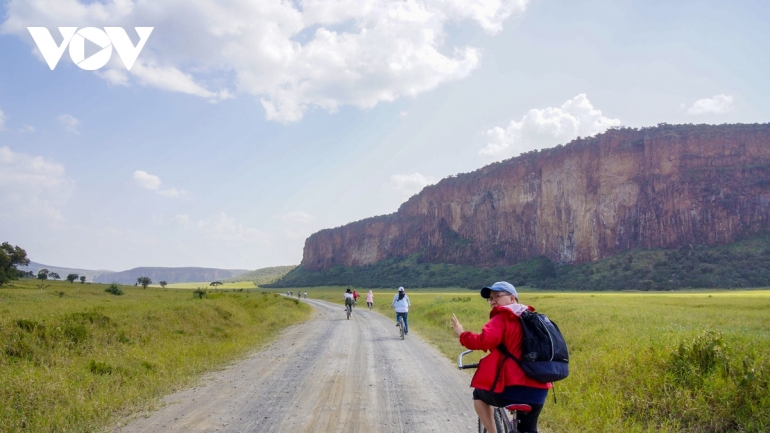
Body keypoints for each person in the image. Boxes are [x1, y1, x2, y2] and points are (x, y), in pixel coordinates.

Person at [451, 281, 551, 433]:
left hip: (511, 390)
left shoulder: (503, 317)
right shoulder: (536, 320)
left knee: (479, 393)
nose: (493, 301)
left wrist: (461, 333)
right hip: (539, 391)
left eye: (497, 296)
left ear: (512, 298)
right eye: (490, 298)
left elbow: (482, 341)